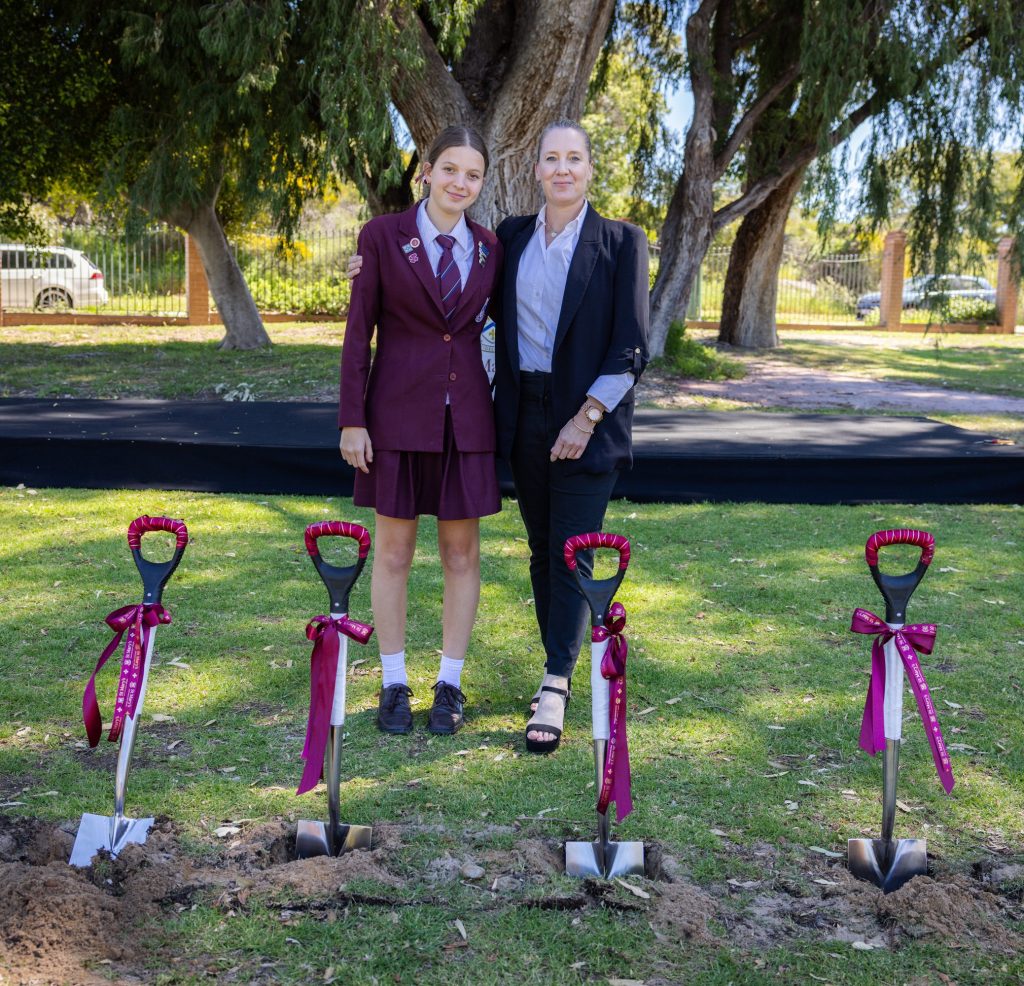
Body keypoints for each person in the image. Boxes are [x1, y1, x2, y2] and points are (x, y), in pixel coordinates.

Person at [339, 125, 503, 737]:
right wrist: (352, 419)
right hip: (396, 417)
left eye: (473, 175)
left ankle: (451, 684)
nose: (461, 183)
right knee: (394, 552)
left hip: (467, 421)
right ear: (426, 172)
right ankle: (392, 682)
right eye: (450, 170)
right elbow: (360, 334)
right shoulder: (381, 237)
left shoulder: (490, 247)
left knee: (461, 554)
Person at [493, 120, 649, 754]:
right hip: (522, 413)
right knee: (539, 548)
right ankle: (553, 663)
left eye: (574, 159)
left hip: (587, 419)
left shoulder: (621, 242)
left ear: (589, 168)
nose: (563, 169)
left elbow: (633, 344)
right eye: (551, 158)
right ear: (536, 169)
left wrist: (584, 420)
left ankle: (555, 682)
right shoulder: (508, 238)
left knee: (570, 553)